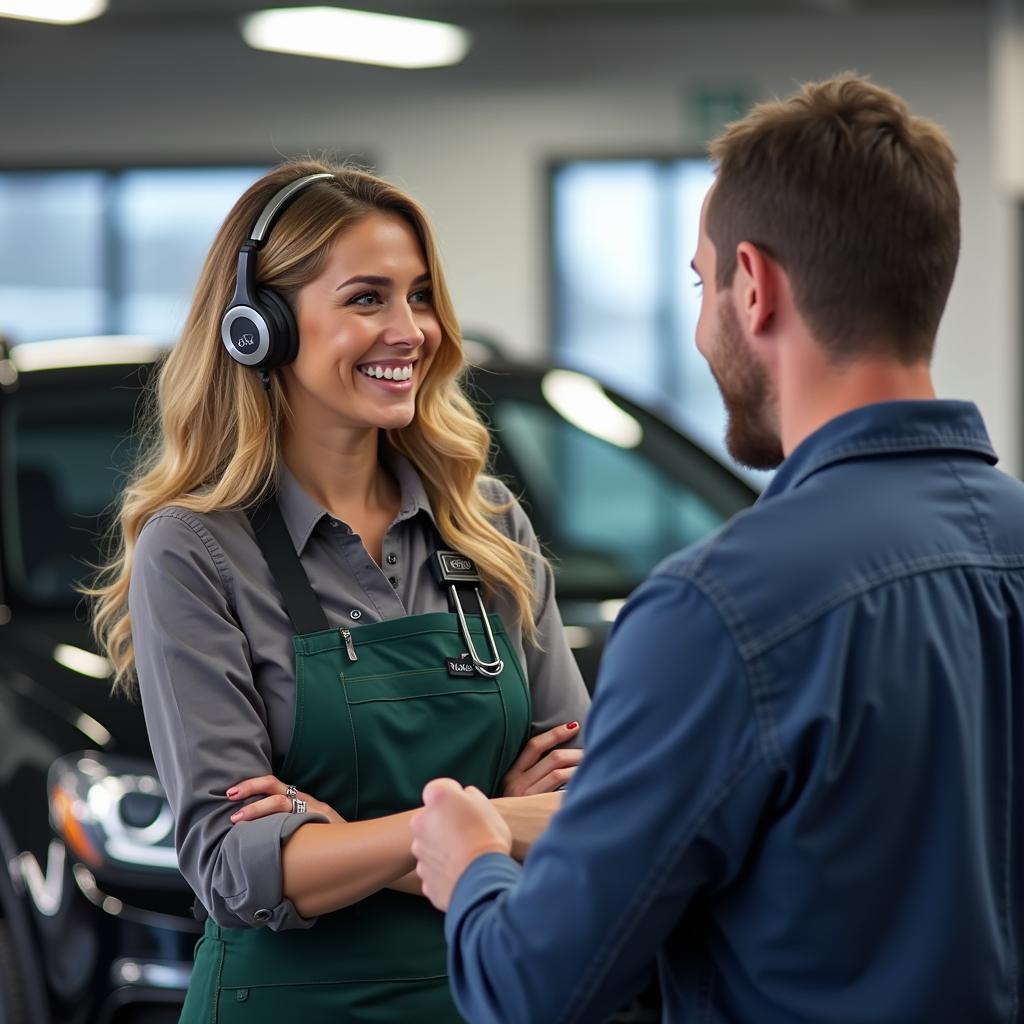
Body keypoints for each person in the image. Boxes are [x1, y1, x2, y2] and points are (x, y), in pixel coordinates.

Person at [409, 73, 1024, 1023]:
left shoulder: (721, 609)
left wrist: (475, 864)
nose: (703, 326)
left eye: (702, 286)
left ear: (755, 283)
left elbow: (534, 989)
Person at [89, 159, 590, 1022]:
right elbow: (235, 865)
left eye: (421, 296)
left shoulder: (490, 526)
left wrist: (333, 843)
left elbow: (586, 809)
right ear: (261, 328)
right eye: (368, 299)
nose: (411, 330)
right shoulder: (196, 551)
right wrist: (484, 826)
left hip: (481, 993)